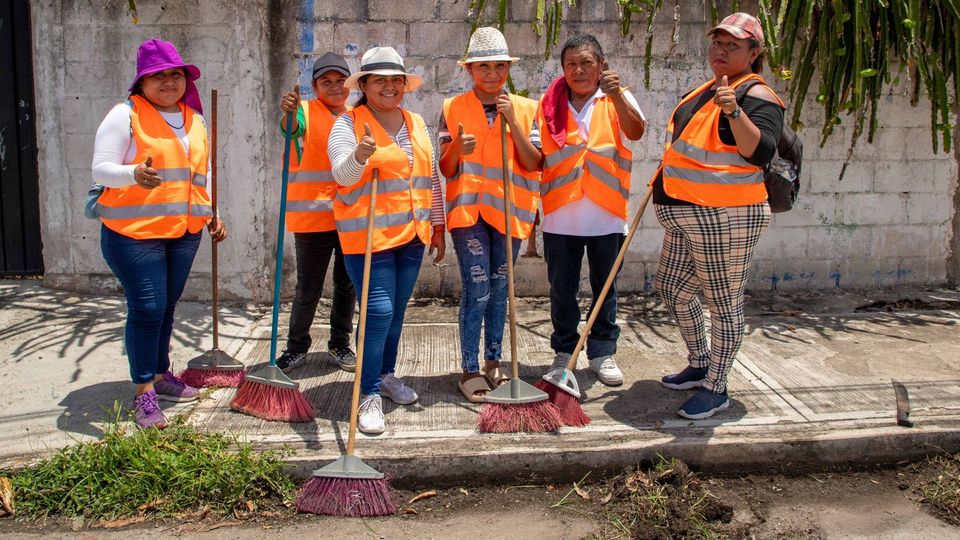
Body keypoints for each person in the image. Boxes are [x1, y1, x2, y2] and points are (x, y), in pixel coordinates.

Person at [655, 13, 785, 419]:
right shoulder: (705, 89)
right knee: (673, 288)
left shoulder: (757, 95)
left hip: (725, 215)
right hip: (685, 212)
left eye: (733, 45)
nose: (722, 50)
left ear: (754, 53)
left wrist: (733, 112)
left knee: (722, 302)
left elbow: (760, 151)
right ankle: (700, 361)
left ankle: (716, 386)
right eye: (718, 43)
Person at [91, 39, 226, 429]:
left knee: (167, 305)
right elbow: (101, 169)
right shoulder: (125, 115)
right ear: (142, 81)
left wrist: (212, 210)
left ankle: (163, 374)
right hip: (133, 233)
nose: (168, 81)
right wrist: (132, 173)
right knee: (147, 308)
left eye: (175, 74)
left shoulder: (194, 118)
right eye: (158, 75)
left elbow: (204, 173)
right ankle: (143, 393)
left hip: (183, 230)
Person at [328, 46, 446, 434]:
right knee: (377, 312)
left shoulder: (414, 122)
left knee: (395, 312)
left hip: (412, 234)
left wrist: (438, 226)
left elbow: (429, 177)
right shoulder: (348, 123)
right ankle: (368, 393)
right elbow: (342, 176)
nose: (390, 87)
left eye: (397, 80)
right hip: (368, 236)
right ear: (364, 85)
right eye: (380, 80)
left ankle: (386, 375)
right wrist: (360, 156)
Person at [438, 27, 542, 403]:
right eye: (484, 66)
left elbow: (534, 163)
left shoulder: (527, 109)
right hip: (468, 214)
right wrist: (458, 151)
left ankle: (494, 361)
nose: (493, 74)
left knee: (501, 290)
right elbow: (446, 168)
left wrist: (513, 120)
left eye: (500, 66)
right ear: (470, 69)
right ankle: (469, 368)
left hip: (508, 212)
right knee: (478, 288)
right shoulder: (452, 108)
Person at [538, 34, 646, 387]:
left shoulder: (618, 97)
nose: (579, 70)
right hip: (560, 215)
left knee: (605, 290)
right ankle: (564, 352)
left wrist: (615, 95)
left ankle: (602, 352)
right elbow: (536, 153)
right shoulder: (549, 103)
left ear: (602, 65)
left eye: (586, 62)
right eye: (571, 64)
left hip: (606, 214)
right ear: (563, 69)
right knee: (561, 290)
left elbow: (636, 131)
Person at [275, 53, 357, 373]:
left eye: (340, 82)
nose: (335, 88)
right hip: (313, 218)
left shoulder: (358, 115)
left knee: (346, 284)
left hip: (350, 216)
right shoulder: (305, 111)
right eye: (327, 82)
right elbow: (291, 130)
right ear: (315, 86)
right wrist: (289, 113)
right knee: (308, 287)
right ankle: (296, 347)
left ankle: (339, 344)